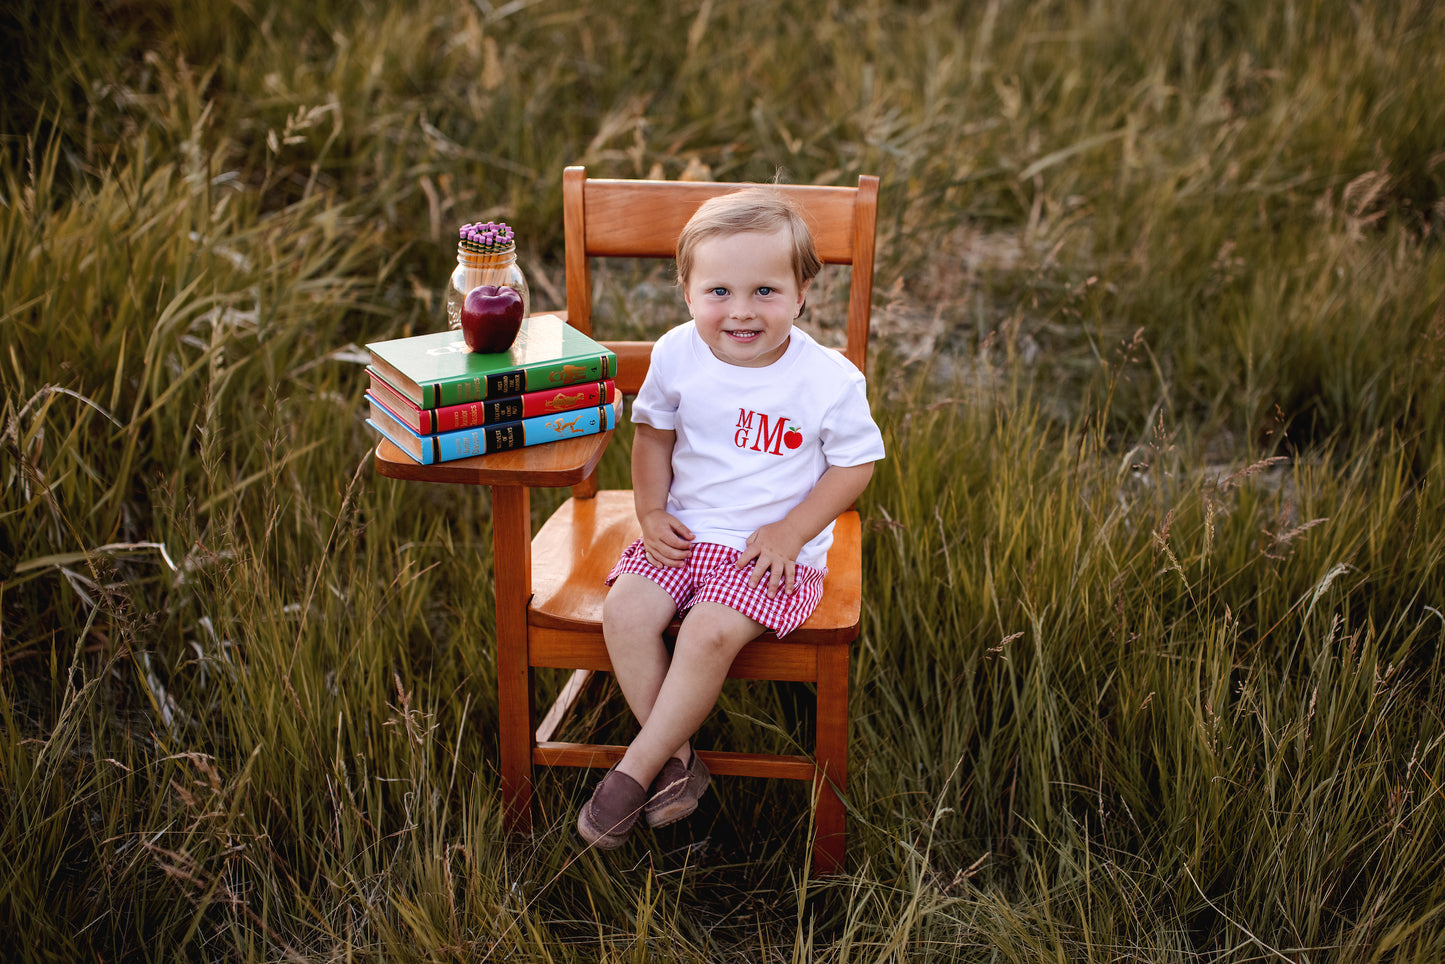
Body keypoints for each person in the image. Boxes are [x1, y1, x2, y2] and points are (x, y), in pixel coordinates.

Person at [576, 187, 886, 849]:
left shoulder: (827, 378)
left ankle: (636, 768)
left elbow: (854, 466)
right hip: (684, 530)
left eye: (765, 291)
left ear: (802, 293)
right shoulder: (675, 353)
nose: (741, 311)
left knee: (708, 632)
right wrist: (649, 510)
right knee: (624, 612)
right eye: (718, 291)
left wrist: (792, 530)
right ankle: (679, 763)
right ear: (686, 291)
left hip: (768, 549)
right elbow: (653, 437)